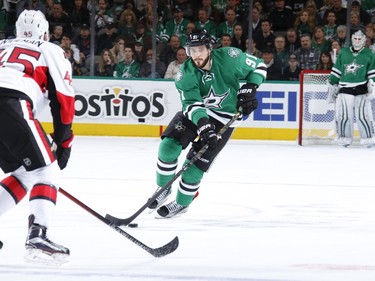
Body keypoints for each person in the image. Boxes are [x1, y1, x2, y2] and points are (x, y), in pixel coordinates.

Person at [148, 29, 266, 218]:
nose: (196, 55)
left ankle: (181, 204)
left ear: (210, 48)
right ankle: (163, 188)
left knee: (193, 169)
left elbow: (259, 66)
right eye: (192, 51)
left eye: (200, 50)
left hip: (224, 118)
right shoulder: (184, 73)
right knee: (168, 147)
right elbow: (191, 105)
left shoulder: (230, 57)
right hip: (196, 114)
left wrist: (251, 87)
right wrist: (203, 124)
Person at [0, 10, 74, 263]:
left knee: (23, 172)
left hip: (10, 105)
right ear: (45, 31)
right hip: (10, 103)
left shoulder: (1, 46)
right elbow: (63, 99)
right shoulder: (50, 49)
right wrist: (64, 141)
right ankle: (38, 236)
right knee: (47, 172)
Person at [327, 30, 375, 147]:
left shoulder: (369, 54)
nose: (357, 41)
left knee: (363, 115)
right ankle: (344, 138)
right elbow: (337, 70)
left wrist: (372, 84)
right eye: (355, 39)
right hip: (345, 87)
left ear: (364, 40)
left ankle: (368, 139)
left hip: (361, 88)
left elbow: (371, 73)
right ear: (352, 39)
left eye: (359, 39)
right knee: (343, 115)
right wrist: (332, 83)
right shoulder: (343, 52)